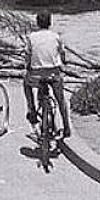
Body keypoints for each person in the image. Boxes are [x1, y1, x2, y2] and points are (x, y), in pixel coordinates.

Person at [23, 11, 71, 139]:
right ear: (50, 22)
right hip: (53, 73)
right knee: (60, 99)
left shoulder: (31, 37)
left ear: (37, 22)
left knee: (26, 84)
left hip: (36, 74)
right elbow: (62, 53)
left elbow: (27, 55)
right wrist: (63, 62)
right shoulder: (56, 36)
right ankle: (66, 127)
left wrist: (28, 66)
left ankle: (32, 109)